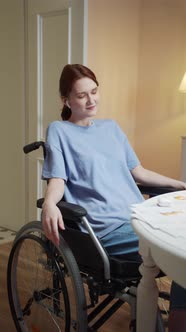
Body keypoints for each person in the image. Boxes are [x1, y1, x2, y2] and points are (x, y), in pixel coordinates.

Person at [42, 64, 186, 331]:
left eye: (94, 91)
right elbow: (58, 180)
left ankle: (173, 318)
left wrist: (180, 184)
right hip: (107, 229)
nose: (91, 99)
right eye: (82, 95)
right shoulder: (59, 131)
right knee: (182, 250)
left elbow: (139, 173)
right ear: (67, 100)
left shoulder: (111, 127)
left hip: (140, 217)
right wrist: (50, 203)